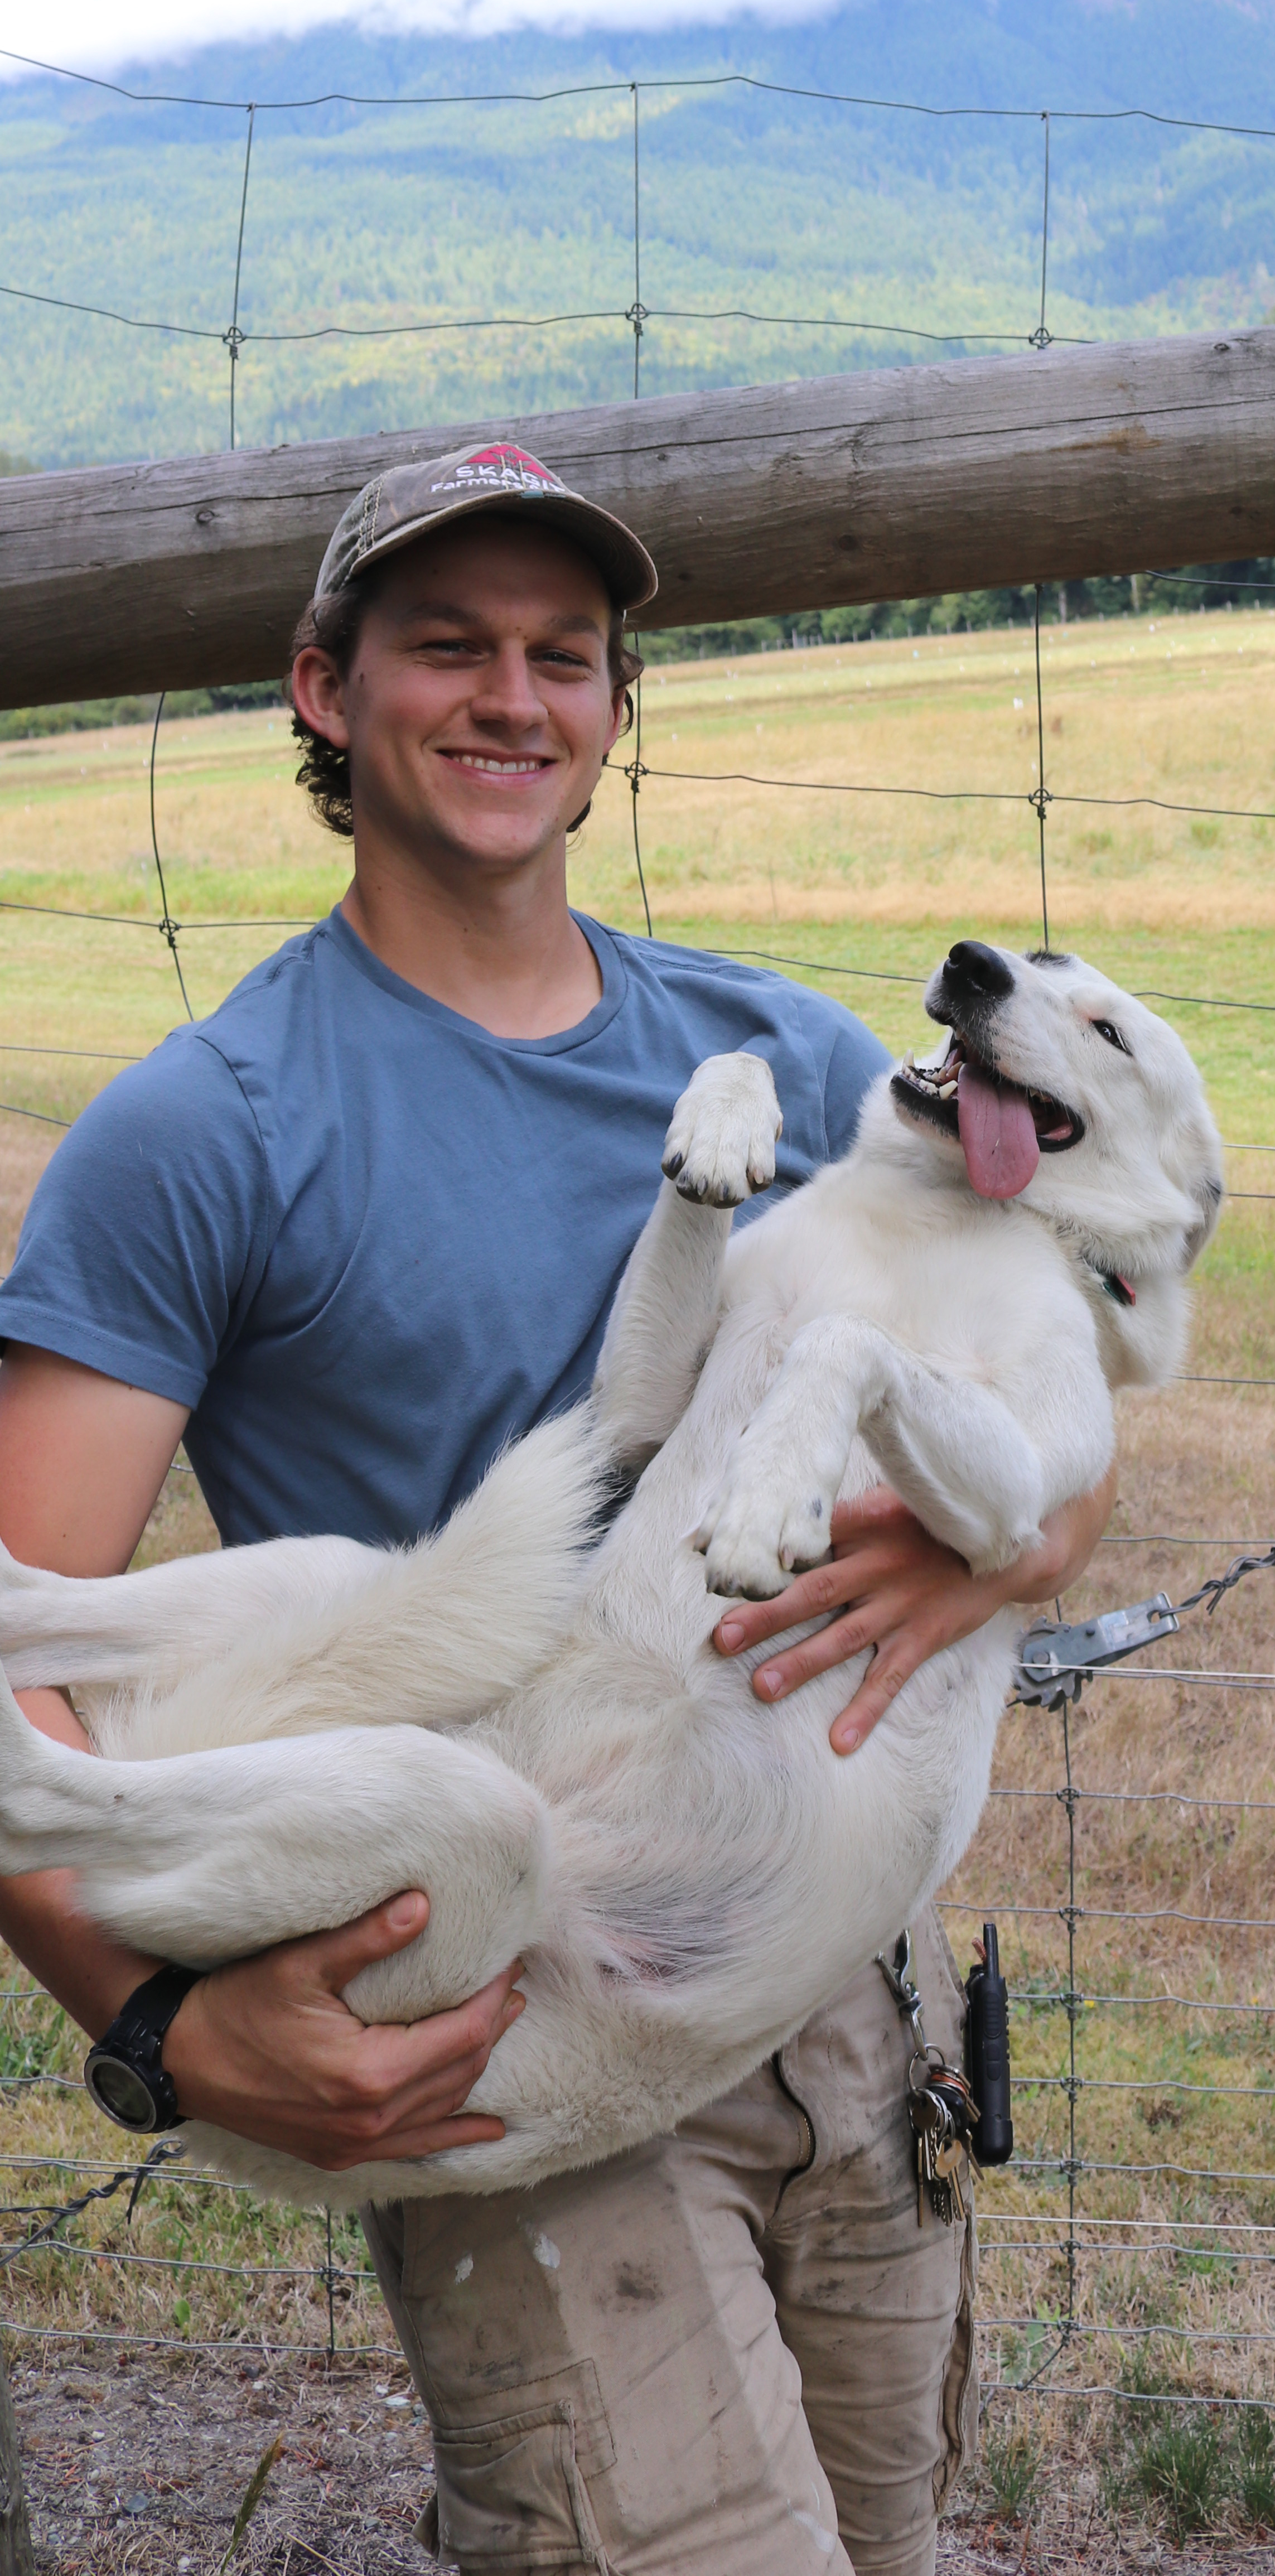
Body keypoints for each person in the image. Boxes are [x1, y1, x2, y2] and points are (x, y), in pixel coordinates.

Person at [0, 436, 1112, 2576]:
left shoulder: (789, 1055)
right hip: (514, 2027)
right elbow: (27, 1663)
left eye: (564, 656)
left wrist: (1041, 1541)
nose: (513, 698)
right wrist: (157, 2031)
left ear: (614, 715)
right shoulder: (202, 1136)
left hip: (843, 1997)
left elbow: (1051, 1360)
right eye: (448, 648)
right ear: (326, 694)